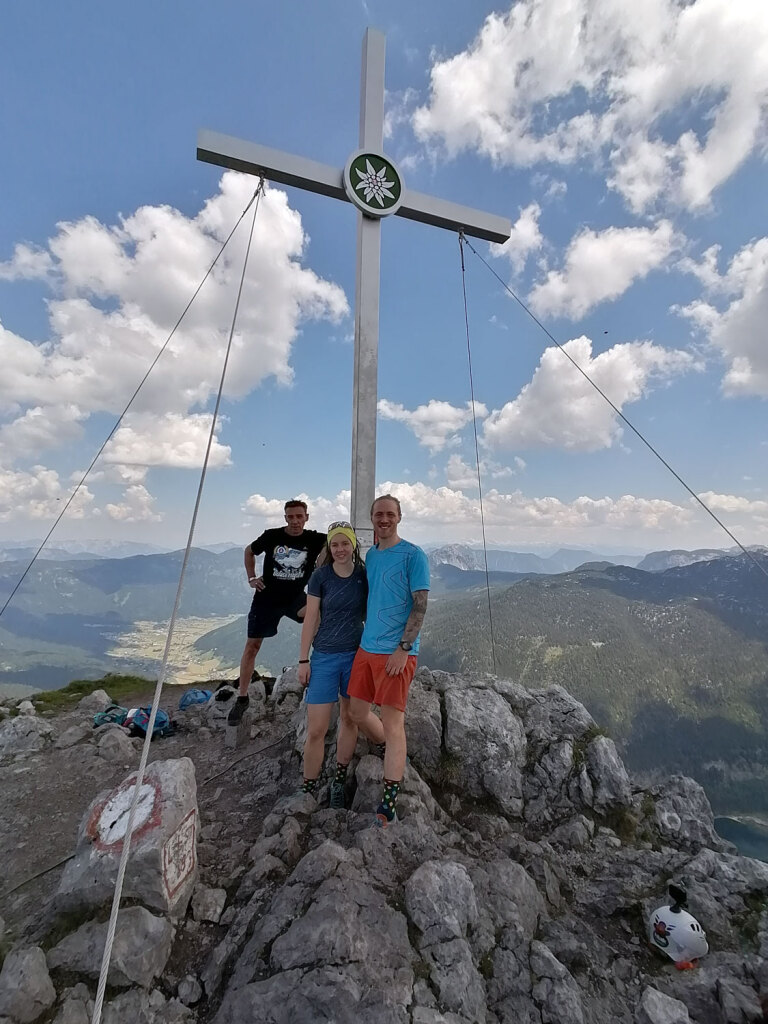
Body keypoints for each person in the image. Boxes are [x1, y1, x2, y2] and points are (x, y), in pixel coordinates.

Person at [347, 495, 429, 827]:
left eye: (390, 514)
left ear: (399, 517)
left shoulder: (414, 555)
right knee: (356, 713)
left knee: (394, 724)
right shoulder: (371, 554)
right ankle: (385, 747)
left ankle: (389, 801)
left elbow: (420, 605)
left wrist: (403, 648)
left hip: (396, 652)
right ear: (372, 517)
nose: (384, 519)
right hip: (367, 648)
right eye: (379, 514)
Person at [297, 522, 386, 806]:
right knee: (316, 729)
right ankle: (308, 788)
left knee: (350, 717)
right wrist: (302, 660)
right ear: (329, 547)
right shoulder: (320, 577)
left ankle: (338, 779)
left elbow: (377, 607)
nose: (339, 549)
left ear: (353, 545)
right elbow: (310, 618)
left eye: (344, 544)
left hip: (356, 656)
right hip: (323, 656)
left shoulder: (363, 575)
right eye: (334, 544)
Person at [229, 499, 326, 725]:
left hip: (295, 598)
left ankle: (320, 672)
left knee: (319, 618)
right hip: (267, 598)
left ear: (306, 517)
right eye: (290, 517)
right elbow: (249, 551)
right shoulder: (272, 536)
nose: (295, 521)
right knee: (252, 646)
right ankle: (242, 698)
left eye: (299, 516)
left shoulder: (314, 538)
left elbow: (338, 541)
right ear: (285, 518)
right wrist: (251, 577)